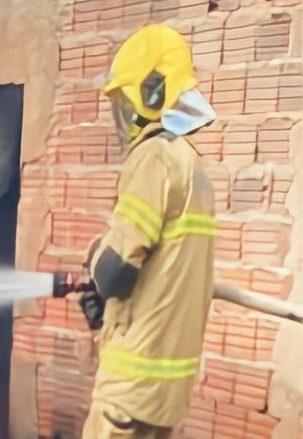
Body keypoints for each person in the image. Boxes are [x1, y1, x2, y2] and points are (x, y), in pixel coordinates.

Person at [80, 23, 217, 438]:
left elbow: (114, 271)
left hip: (129, 389)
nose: (121, 116)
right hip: (166, 395)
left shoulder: (154, 157)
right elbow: (160, 274)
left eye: (124, 101)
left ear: (151, 92)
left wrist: (94, 267)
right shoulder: (194, 168)